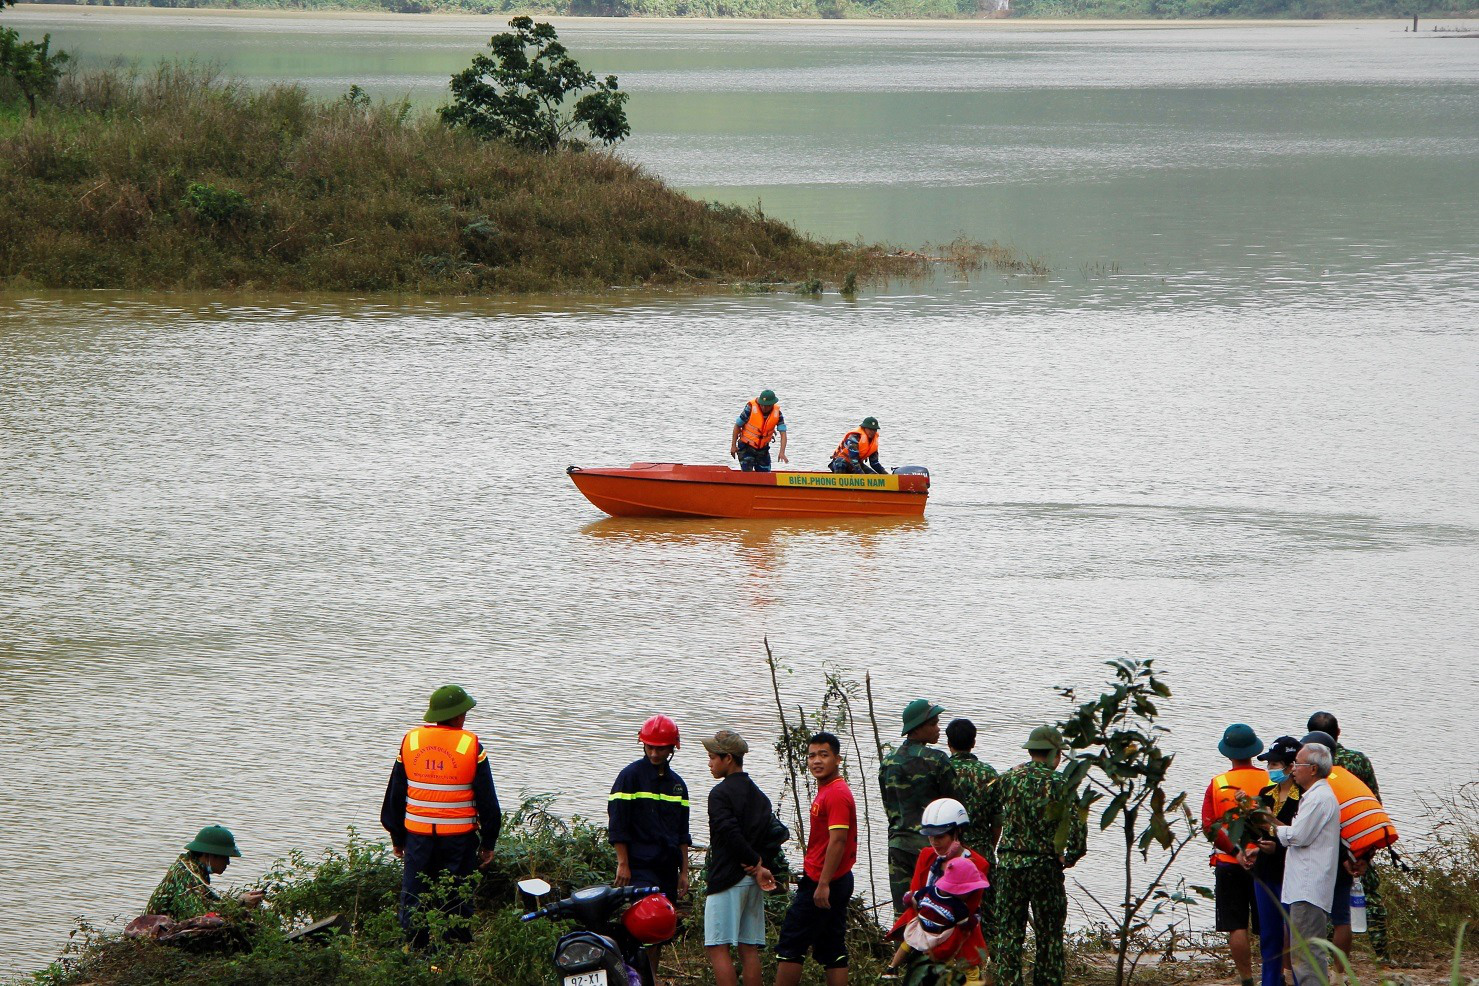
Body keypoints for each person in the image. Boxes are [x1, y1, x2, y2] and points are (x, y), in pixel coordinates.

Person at [380, 684, 502, 949]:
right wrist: (488, 842)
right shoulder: (471, 745)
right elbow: (487, 800)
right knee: (456, 898)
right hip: (458, 839)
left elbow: (395, 794)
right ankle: (454, 953)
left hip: (417, 837)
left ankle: (416, 954)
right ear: (458, 716)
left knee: (414, 897)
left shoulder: (411, 741)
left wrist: (397, 837)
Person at [992, 725, 1086, 986]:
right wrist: (1070, 857)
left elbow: (990, 808)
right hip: (1045, 867)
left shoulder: (1008, 778)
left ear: (1031, 750)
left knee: (1009, 934)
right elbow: (1078, 829)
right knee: (1049, 936)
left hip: (1010, 866)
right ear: (1055, 753)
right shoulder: (1060, 783)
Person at [609, 714, 692, 971]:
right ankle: (632, 974)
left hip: (666, 867)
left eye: (661, 748)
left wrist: (684, 872)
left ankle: (651, 978)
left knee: (659, 930)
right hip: (639, 866)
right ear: (643, 744)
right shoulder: (630, 777)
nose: (655, 753)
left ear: (672, 748)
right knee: (641, 924)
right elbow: (618, 824)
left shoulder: (677, 785)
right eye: (650, 747)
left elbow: (682, 833)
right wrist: (623, 864)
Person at [775, 732, 857, 986]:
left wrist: (823, 884)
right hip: (832, 879)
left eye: (824, 755)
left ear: (837, 759)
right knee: (832, 947)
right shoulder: (828, 790)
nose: (816, 761)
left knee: (791, 942)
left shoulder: (836, 794)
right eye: (811, 755)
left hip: (825, 881)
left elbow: (838, 841)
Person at [1257, 743, 1341, 986]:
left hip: (1308, 887)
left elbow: (1297, 836)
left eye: (1299, 764)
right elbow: (1295, 831)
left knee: (1306, 956)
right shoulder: (1314, 796)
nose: (1294, 769)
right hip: (1303, 885)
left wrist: (1269, 826)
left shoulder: (1318, 798)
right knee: (1302, 952)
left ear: (1313, 769)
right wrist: (1270, 819)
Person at [1309, 711, 1389, 961]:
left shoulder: (1308, 764)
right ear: (1338, 733)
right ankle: (1381, 954)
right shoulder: (1358, 760)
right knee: (1370, 893)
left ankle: (1328, 953)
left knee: (1325, 896)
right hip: (1358, 835)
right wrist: (1368, 849)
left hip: (1325, 839)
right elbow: (1373, 802)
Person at [883, 798, 992, 979]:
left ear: (957, 833)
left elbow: (968, 911)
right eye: (930, 836)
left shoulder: (977, 864)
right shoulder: (926, 856)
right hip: (924, 935)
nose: (934, 842)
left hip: (956, 941)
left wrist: (942, 949)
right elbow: (916, 898)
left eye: (940, 836)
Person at [702, 729, 777, 986]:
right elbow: (776, 835)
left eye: (713, 757)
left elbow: (729, 832)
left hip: (727, 879)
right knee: (749, 948)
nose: (710, 763)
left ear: (729, 758)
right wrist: (759, 864)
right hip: (751, 881)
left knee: (717, 946)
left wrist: (755, 865)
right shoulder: (760, 796)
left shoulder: (719, 794)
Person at [1200, 723, 1269, 986]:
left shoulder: (1218, 784)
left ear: (1228, 753)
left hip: (1229, 862)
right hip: (1264, 860)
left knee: (1236, 925)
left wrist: (1237, 851)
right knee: (1269, 924)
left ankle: (1246, 978)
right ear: (1254, 751)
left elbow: (1210, 827)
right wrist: (1254, 850)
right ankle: (1274, 975)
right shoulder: (1269, 779)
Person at [880, 699, 956, 914]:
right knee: (936, 910)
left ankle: (902, 948)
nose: (938, 729)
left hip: (898, 846)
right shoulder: (938, 761)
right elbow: (954, 806)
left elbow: (888, 804)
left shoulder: (889, 762)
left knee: (903, 912)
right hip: (932, 847)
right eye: (933, 724)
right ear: (918, 727)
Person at [1242, 735, 1303, 986]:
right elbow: (1260, 831)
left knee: (1296, 935)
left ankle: (1298, 980)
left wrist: (1270, 827)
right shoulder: (1266, 793)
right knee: (1269, 935)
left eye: (1276, 765)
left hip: (1292, 871)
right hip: (1265, 872)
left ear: (1291, 767)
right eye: (1269, 764)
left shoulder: (1306, 797)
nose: (1271, 769)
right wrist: (1255, 847)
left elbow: (1301, 836)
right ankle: (1270, 981)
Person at [886, 857, 991, 980]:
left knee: (907, 943)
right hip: (938, 940)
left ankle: (892, 967)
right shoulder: (958, 907)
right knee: (965, 963)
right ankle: (973, 980)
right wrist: (976, 914)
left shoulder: (929, 891)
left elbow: (910, 898)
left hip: (920, 931)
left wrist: (911, 901)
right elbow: (968, 925)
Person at [946, 718, 1001, 942]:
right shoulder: (989, 774)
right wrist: (989, 846)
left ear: (948, 743)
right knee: (988, 914)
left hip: (949, 852)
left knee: (949, 910)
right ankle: (993, 961)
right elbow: (997, 822)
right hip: (982, 853)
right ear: (974, 742)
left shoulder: (944, 771)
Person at [146, 825, 264, 920]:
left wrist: (240, 901)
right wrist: (240, 903)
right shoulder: (186, 874)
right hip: (157, 934)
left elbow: (209, 903)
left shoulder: (193, 869)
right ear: (209, 855)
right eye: (225, 857)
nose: (228, 862)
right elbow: (202, 915)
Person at [730, 389, 788, 472]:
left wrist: (782, 452)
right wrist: (733, 445)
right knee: (747, 474)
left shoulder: (777, 414)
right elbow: (737, 425)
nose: (764, 407)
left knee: (765, 476)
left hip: (763, 450)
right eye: (762, 405)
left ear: (772, 404)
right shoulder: (750, 409)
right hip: (746, 447)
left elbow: (783, 434)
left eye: (767, 405)